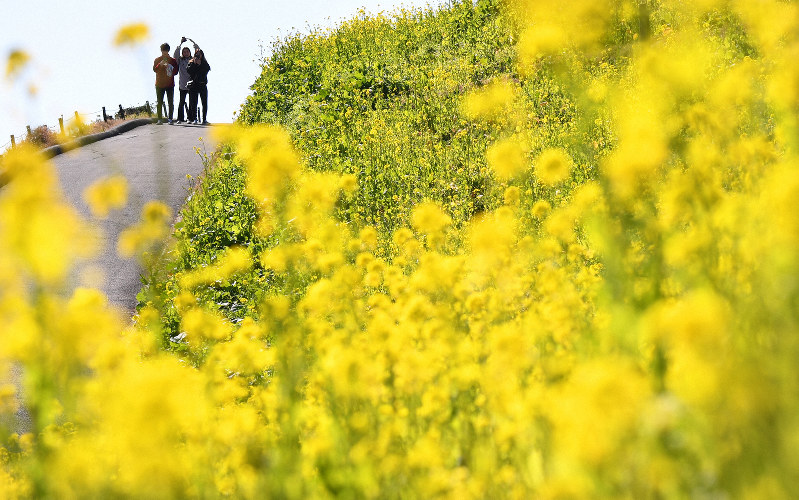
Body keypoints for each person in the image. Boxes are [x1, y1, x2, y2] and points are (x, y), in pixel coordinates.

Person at [173, 37, 198, 123]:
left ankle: (190, 118)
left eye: (187, 52)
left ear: (190, 52)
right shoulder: (180, 60)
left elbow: (198, 52)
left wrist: (193, 43)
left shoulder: (193, 60)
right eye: (184, 52)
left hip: (191, 84)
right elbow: (175, 55)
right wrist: (180, 44)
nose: (186, 53)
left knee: (191, 102)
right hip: (183, 84)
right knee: (182, 102)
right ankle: (180, 118)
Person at [153, 42, 178, 124]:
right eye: (163, 51)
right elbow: (155, 70)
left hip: (170, 84)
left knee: (170, 102)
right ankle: (159, 119)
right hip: (159, 84)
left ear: (168, 51)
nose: (164, 52)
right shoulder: (157, 59)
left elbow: (176, 71)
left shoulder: (173, 60)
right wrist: (160, 64)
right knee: (159, 102)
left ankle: (170, 119)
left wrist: (169, 66)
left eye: (166, 51)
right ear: (161, 51)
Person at [187, 47, 211, 125]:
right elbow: (189, 71)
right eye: (196, 54)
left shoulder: (204, 63)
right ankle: (194, 119)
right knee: (193, 103)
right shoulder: (191, 62)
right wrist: (194, 64)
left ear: (202, 55)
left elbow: (206, 70)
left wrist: (200, 64)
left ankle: (204, 119)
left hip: (202, 84)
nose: (197, 56)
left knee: (204, 102)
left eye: (199, 54)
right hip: (193, 85)